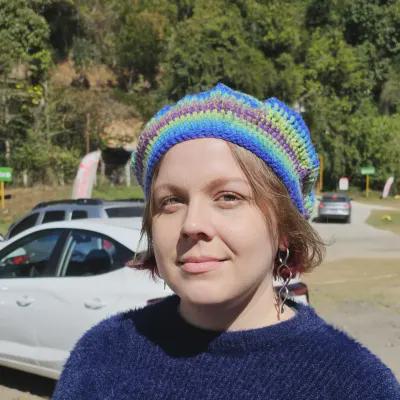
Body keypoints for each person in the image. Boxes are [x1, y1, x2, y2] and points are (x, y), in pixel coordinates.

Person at [53, 83, 400, 399]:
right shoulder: (101, 356)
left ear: (284, 228)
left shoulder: (357, 385)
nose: (192, 224)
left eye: (229, 197)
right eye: (171, 201)